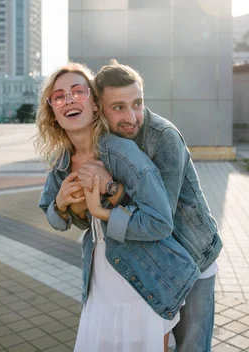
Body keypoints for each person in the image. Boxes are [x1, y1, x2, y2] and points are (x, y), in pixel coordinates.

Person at [36, 63, 200, 352]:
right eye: (59, 97)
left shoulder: (123, 153)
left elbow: (160, 222)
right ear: (53, 112)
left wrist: (102, 212)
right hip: (99, 282)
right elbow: (55, 218)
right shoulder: (62, 161)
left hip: (144, 279)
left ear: (96, 106)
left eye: (78, 92)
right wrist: (61, 203)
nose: (69, 100)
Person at [75, 60, 223, 352]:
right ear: (99, 109)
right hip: (157, 261)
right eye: (118, 107)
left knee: (192, 347)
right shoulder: (103, 142)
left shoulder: (164, 138)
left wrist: (111, 192)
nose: (132, 116)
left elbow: (159, 220)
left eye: (138, 103)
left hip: (193, 258)